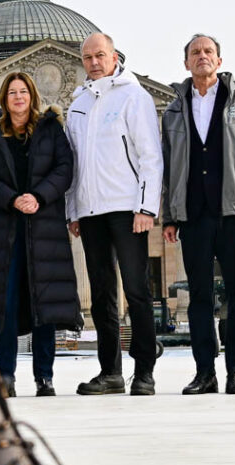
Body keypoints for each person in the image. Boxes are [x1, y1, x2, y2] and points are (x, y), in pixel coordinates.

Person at [161, 34, 235, 395]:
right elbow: (167, 167)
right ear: (186, 63)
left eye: (208, 51)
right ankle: (204, 373)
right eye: (195, 52)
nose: (202, 56)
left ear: (219, 61)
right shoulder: (174, 109)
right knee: (199, 297)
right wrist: (169, 216)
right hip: (193, 215)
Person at [0, 71, 80, 398]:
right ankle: (5, 375)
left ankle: (44, 377)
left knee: (43, 303)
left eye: (23, 92)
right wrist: (12, 199)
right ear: (4, 99)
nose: (18, 97)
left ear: (32, 96)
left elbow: (65, 169)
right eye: (12, 93)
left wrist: (39, 196)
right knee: (5, 304)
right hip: (4, 233)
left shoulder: (50, 130)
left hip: (44, 228)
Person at [67, 33, 163, 397]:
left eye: (100, 55)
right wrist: (73, 210)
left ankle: (144, 371)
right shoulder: (78, 103)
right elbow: (74, 162)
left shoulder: (134, 96)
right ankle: (110, 372)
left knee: (137, 290)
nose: (94, 62)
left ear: (114, 57)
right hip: (90, 212)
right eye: (87, 57)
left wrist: (146, 207)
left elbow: (150, 156)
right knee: (102, 293)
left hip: (127, 209)